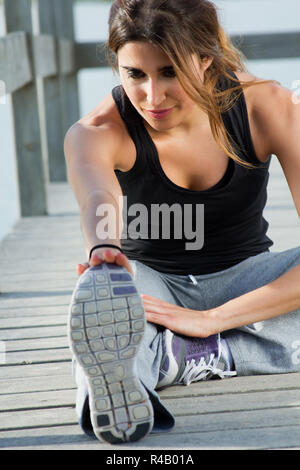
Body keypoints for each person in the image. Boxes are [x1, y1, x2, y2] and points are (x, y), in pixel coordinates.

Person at [64, 0, 300, 445]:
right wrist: (103, 250)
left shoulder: (267, 106)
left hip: (246, 281)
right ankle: (127, 384)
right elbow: (97, 196)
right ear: (117, 65)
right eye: (135, 74)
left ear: (206, 57)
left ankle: (185, 355)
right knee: (113, 314)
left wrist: (210, 319)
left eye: (170, 72)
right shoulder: (95, 132)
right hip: (153, 283)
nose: (152, 96)